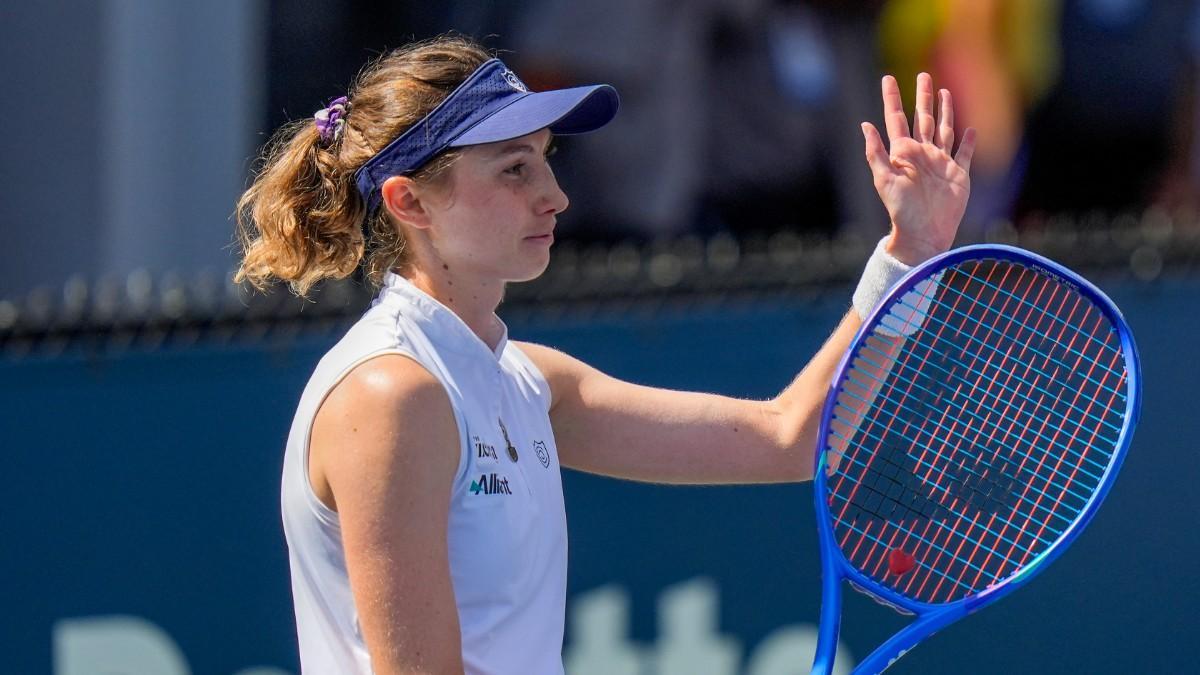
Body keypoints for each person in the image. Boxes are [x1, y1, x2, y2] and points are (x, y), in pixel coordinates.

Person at [234, 35, 974, 675]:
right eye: (513, 169)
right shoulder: (392, 395)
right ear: (410, 203)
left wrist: (906, 258)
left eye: (546, 161)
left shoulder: (528, 383)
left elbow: (795, 436)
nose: (554, 195)